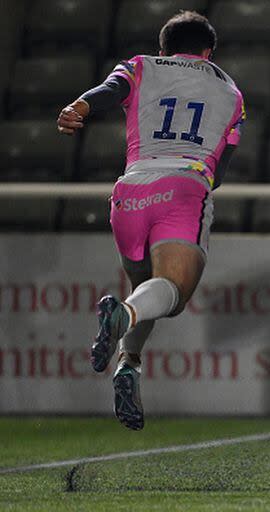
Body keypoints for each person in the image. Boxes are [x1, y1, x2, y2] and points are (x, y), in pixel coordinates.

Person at [56, 11, 245, 430]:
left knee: (146, 292)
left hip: (130, 192)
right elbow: (222, 169)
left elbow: (111, 90)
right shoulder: (231, 91)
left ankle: (129, 365)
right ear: (208, 51)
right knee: (172, 293)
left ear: (164, 48)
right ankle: (121, 320)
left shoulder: (141, 65)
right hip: (183, 186)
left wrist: (78, 106)